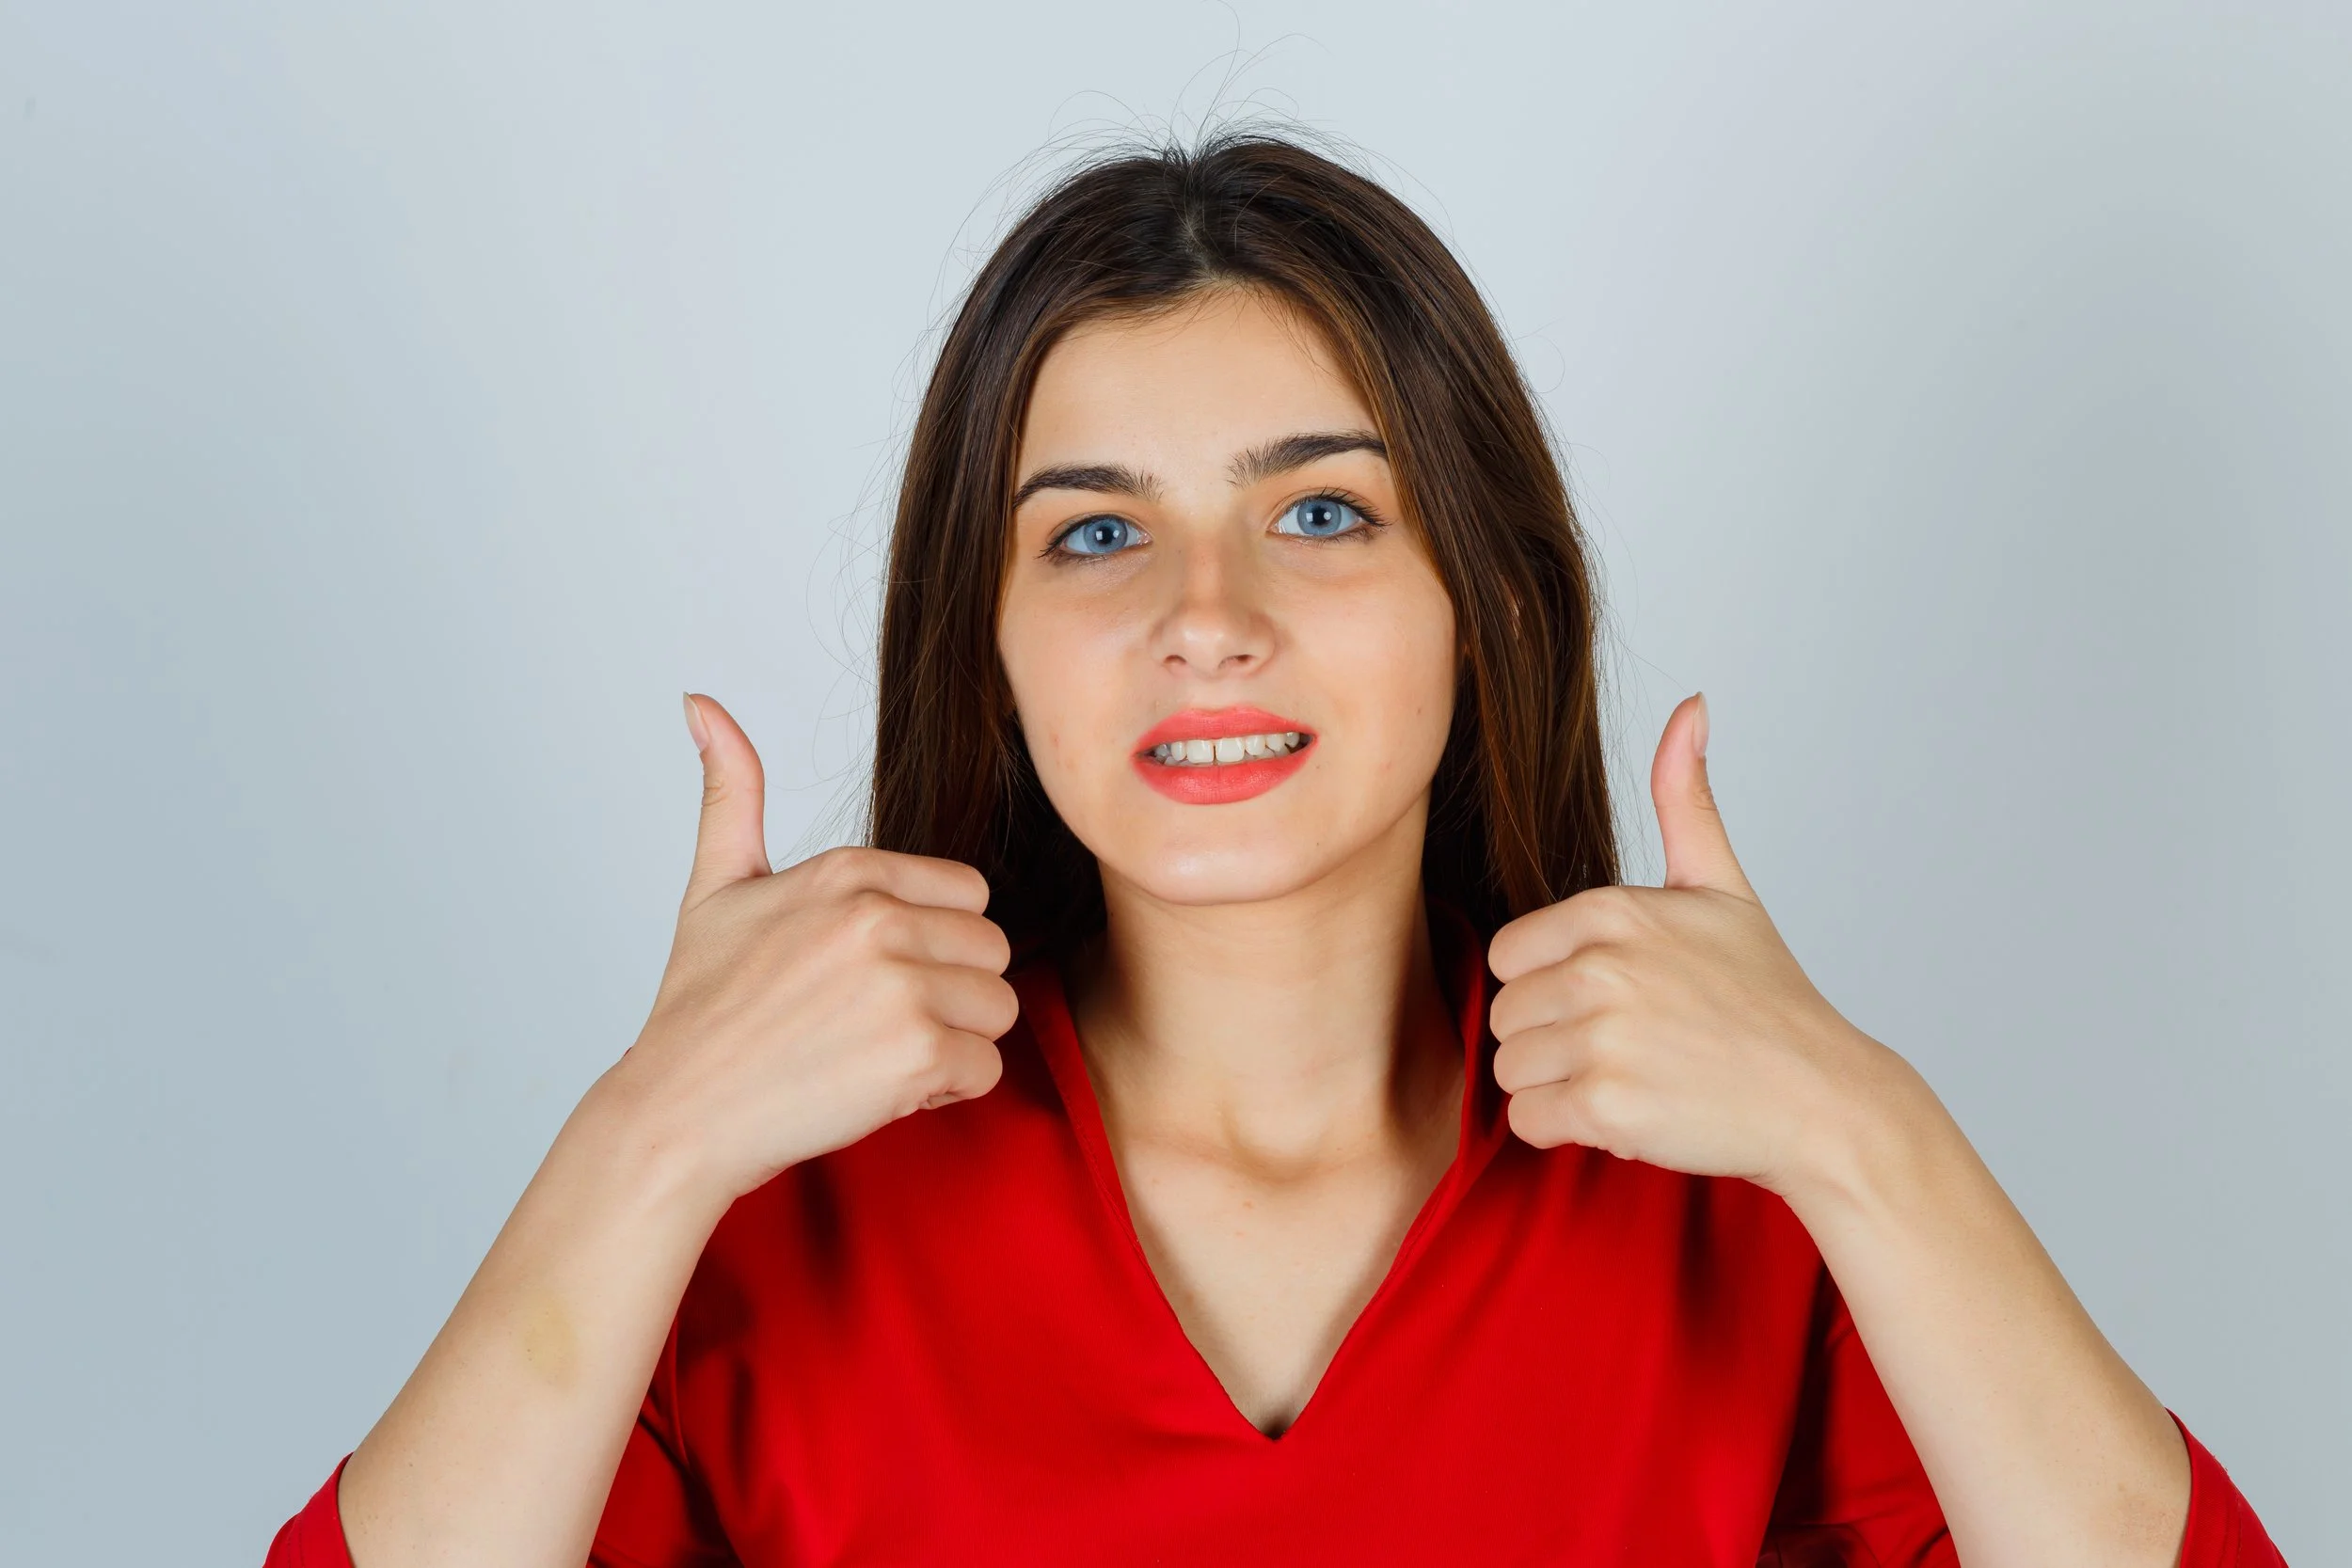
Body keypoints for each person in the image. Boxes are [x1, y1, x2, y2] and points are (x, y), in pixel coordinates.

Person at [266, 134, 2282, 1567]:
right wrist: (640, 1137)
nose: (1201, 611)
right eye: (1091, 528)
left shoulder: (1740, 1217)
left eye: (1318, 512)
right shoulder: (762, 1222)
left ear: (1481, 599)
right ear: (981, 635)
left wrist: (1866, 1129)